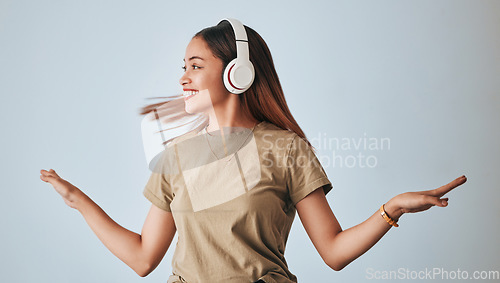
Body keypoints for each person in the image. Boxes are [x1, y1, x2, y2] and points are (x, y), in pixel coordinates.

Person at [40, 18, 467, 283]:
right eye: (182, 66)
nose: (183, 78)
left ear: (237, 73)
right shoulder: (175, 156)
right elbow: (142, 258)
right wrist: (77, 201)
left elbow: (334, 253)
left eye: (194, 65)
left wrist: (391, 208)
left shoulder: (286, 150)